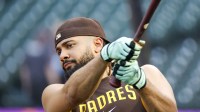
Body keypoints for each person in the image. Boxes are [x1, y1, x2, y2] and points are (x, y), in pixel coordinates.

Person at [42, 17, 177, 112]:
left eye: (70, 45)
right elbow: (71, 96)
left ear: (98, 44)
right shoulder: (53, 93)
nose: (62, 56)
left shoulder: (148, 74)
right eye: (58, 51)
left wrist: (141, 83)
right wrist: (104, 56)